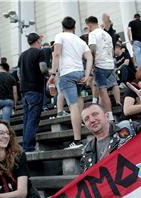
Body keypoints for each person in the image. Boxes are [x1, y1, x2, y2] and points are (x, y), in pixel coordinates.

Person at [46, 82, 141, 198]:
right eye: (86, 119)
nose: (91, 120)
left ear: (106, 116)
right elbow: (84, 188)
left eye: (95, 114)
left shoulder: (128, 128)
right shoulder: (87, 152)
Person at [48, 16, 93, 149]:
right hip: (79, 72)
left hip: (66, 73)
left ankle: (77, 141)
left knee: (73, 106)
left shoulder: (60, 36)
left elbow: (56, 54)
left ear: (62, 27)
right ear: (74, 28)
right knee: (79, 100)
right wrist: (86, 73)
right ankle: (81, 128)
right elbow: (90, 57)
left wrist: (53, 73)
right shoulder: (80, 41)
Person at [17, 32, 48, 152]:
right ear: (37, 41)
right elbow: (43, 68)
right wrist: (48, 75)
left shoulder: (22, 55)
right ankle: (28, 147)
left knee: (27, 119)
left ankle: (26, 145)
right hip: (35, 89)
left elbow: (19, 74)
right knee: (33, 119)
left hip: (24, 91)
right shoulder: (39, 52)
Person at [86, 16, 120, 121]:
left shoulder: (92, 34)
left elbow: (92, 49)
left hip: (100, 65)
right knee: (114, 84)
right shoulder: (107, 34)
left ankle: (109, 117)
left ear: (90, 25)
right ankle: (117, 103)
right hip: (110, 64)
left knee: (103, 91)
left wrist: (91, 64)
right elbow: (112, 50)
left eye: (88, 27)